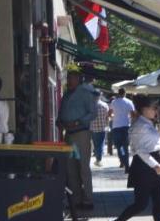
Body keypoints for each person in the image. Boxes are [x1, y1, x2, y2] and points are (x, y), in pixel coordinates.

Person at [107, 95, 160, 221]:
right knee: (141, 204)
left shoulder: (148, 123)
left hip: (152, 162)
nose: (156, 111)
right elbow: (139, 150)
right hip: (144, 166)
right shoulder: (139, 126)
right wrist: (155, 165)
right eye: (153, 108)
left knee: (159, 200)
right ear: (144, 109)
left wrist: (159, 163)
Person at [57, 67, 99, 208]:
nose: (68, 81)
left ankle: (88, 199)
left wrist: (78, 121)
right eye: (67, 78)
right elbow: (62, 111)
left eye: (70, 78)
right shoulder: (67, 94)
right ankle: (76, 199)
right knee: (71, 167)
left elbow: (93, 113)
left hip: (81, 133)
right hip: (69, 135)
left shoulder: (85, 93)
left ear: (78, 79)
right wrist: (60, 121)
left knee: (83, 167)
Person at [109, 87, 135, 172]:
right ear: (125, 93)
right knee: (125, 147)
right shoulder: (129, 102)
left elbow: (109, 114)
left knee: (119, 147)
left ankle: (122, 161)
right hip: (125, 126)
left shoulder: (113, 102)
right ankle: (126, 164)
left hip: (116, 126)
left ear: (118, 93)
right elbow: (132, 114)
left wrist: (114, 116)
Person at [90, 92, 110, 165]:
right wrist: (107, 125)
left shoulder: (90, 105)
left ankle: (98, 159)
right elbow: (107, 117)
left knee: (95, 144)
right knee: (101, 143)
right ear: (100, 96)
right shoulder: (105, 105)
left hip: (93, 128)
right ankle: (99, 159)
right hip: (102, 127)